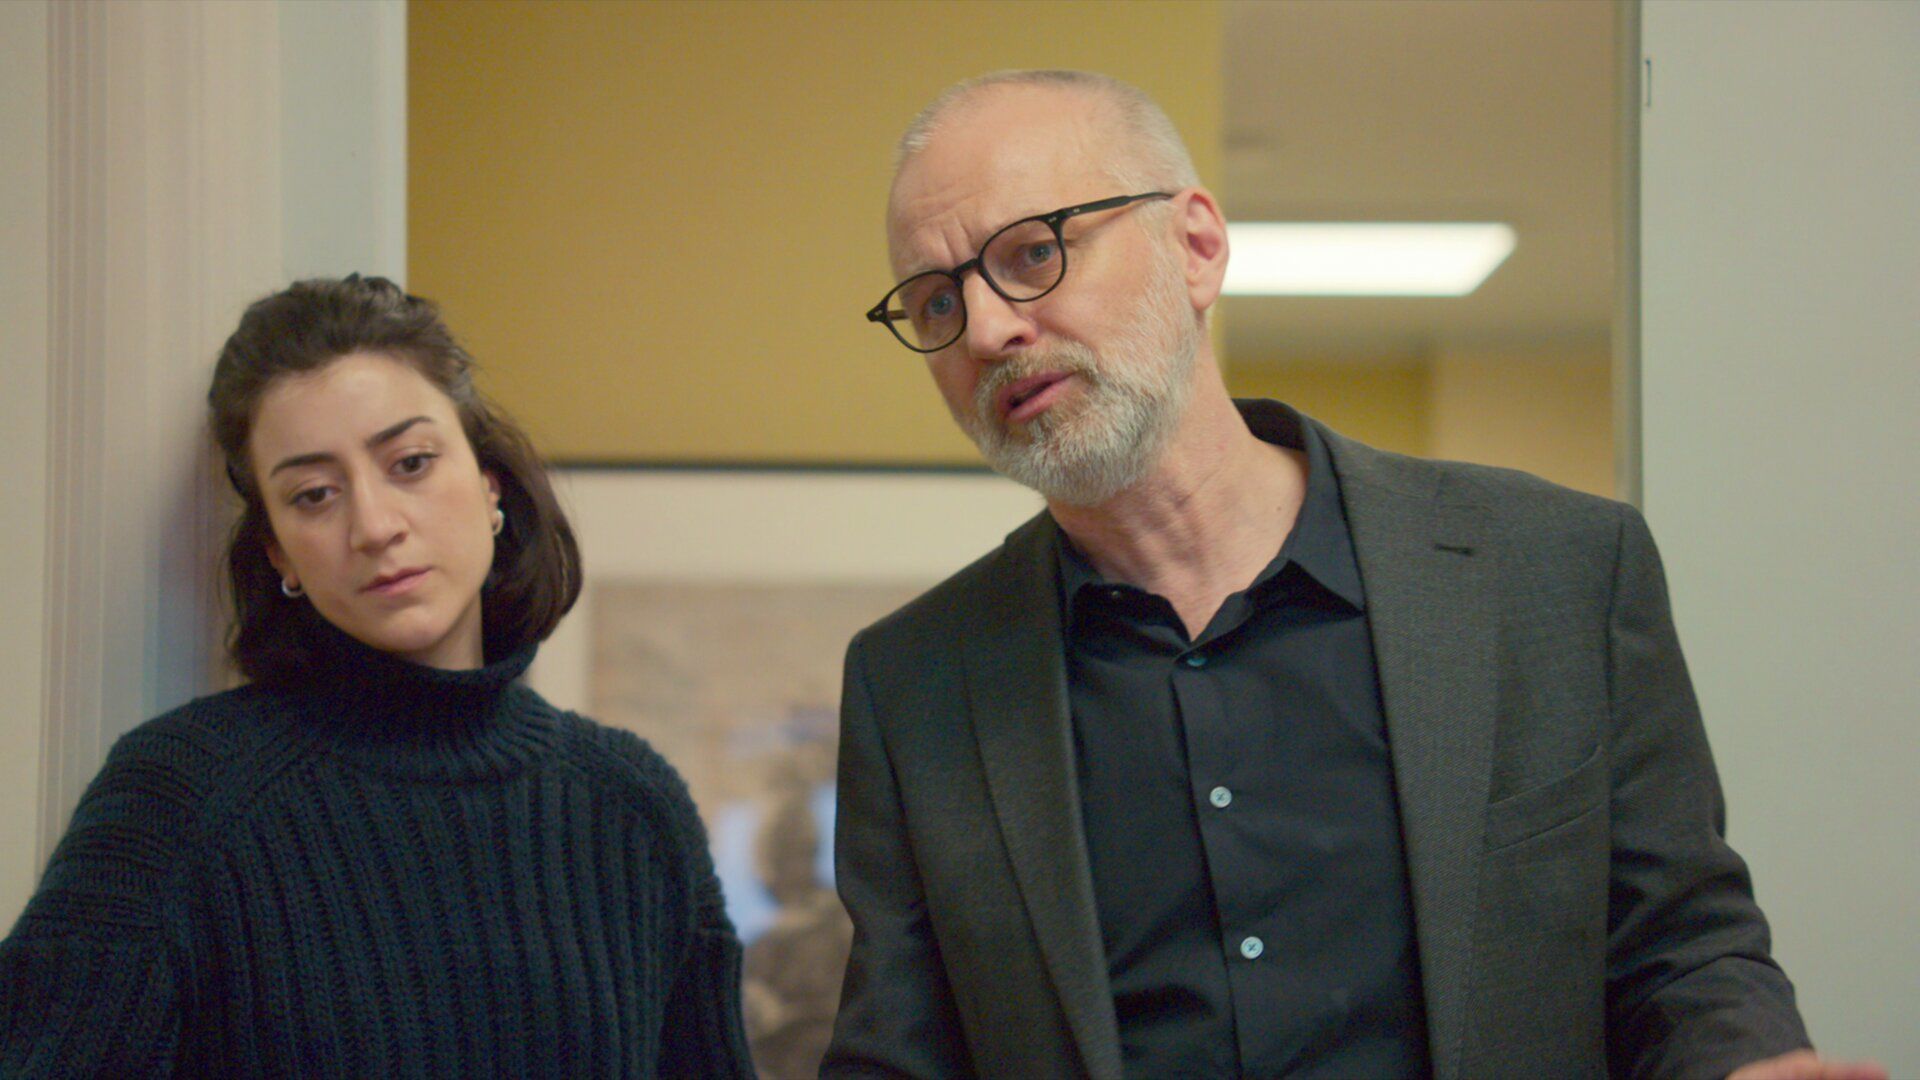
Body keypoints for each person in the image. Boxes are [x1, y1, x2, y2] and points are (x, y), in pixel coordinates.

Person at [824, 70, 1885, 1080]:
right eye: (935, 304)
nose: (990, 329)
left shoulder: (1553, 573)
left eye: (1033, 253)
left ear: (1196, 248)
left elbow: (1681, 951)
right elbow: (901, 1055)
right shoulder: (916, 685)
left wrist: (1742, 1060)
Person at [0, 276, 754, 1077]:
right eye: (314, 495)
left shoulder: (633, 806)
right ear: (279, 553)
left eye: (411, 463)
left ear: (490, 483)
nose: (374, 525)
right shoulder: (181, 797)